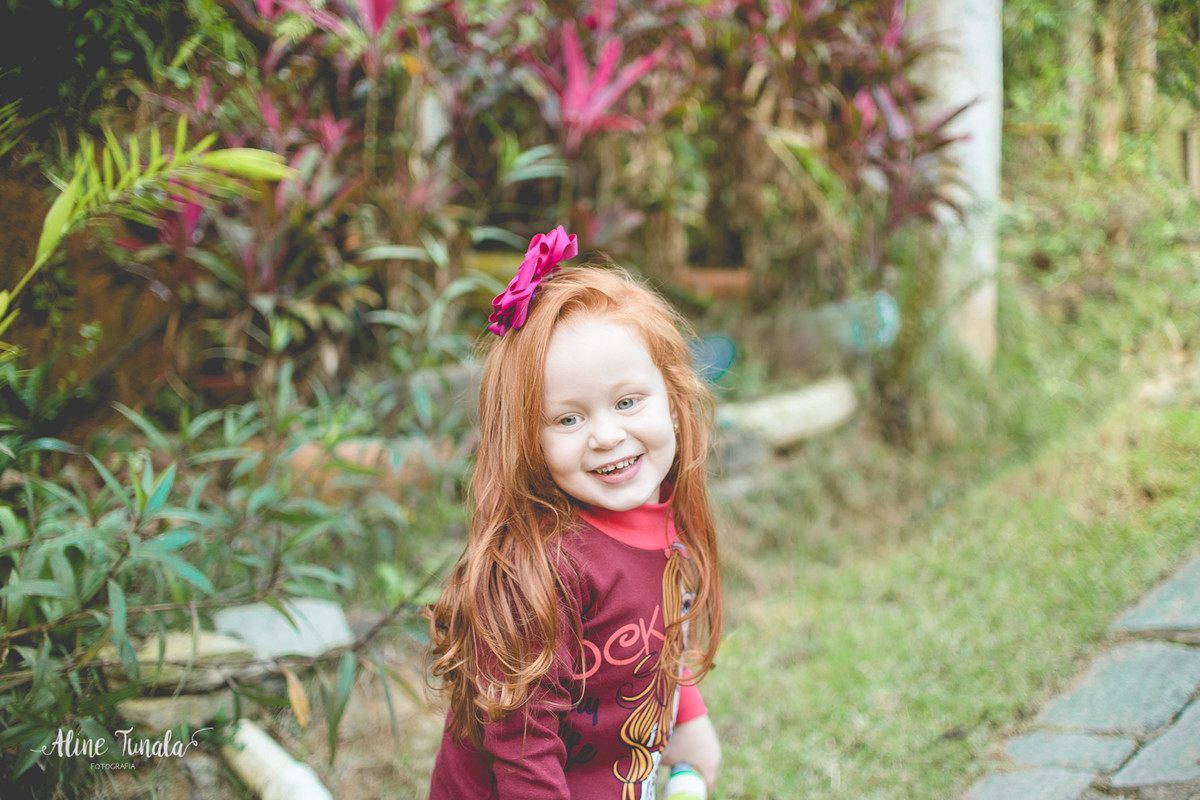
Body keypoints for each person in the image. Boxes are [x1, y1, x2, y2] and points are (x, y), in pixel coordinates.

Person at [427, 226, 723, 799]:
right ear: (529, 441)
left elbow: (659, 636)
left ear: (675, 398)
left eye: (627, 401)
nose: (607, 436)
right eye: (569, 419)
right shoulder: (545, 569)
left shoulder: (659, 510)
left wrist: (689, 719)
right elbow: (524, 752)